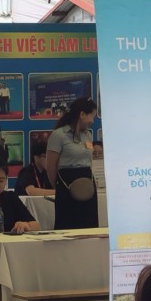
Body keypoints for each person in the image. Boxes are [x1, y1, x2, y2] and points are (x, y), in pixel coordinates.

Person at [45, 96, 99, 230]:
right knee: (67, 225)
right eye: (92, 116)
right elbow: (50, 166)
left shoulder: (88, 135)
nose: (93, 121)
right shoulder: (58, 135)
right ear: (82, 114)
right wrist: (59, 187)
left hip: (87, 185)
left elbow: (89, 161)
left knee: (90, 225)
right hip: (66, 185)